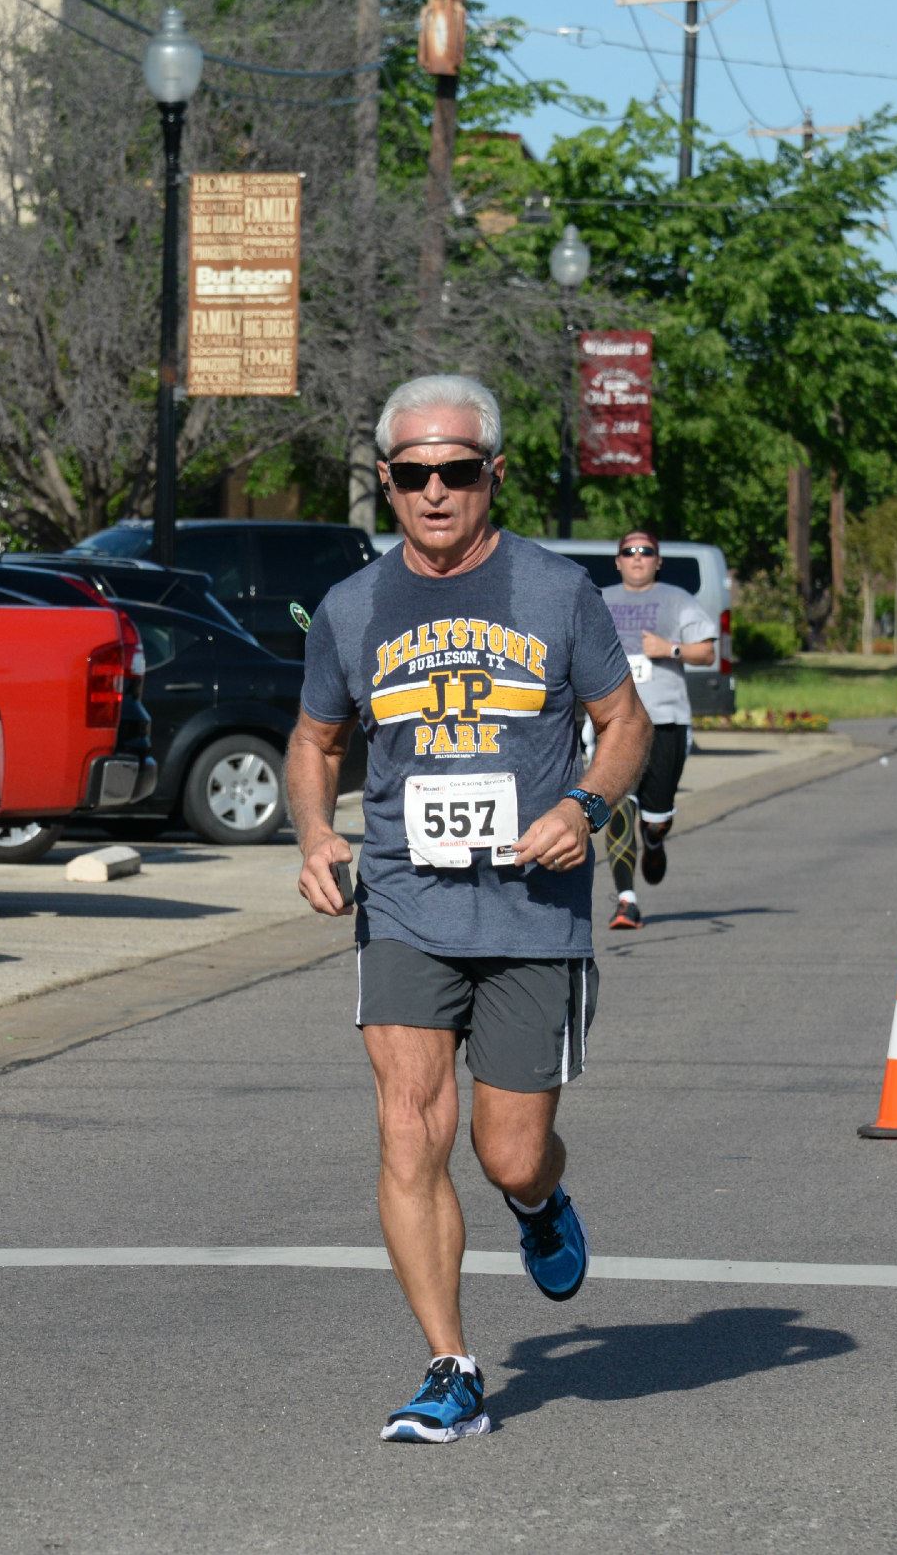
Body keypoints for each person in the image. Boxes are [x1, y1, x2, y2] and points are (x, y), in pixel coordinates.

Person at [287, 373, 651, 1445]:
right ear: (387, 486)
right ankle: (449, 1364)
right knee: (409, 1130)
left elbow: (622, 721)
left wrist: (587, 804)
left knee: (507, 1150)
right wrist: (314, 834)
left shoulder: (553, 591)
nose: (434, 492)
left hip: (534, 909)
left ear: (492, 474)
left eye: (455, 472)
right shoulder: (354, 608)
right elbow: (314, 741)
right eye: (411, 475)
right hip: (404, 897)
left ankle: (539, 1204)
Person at [597, 529, 717, 929]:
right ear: (617, 561)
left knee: (654, 816)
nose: (637, 557)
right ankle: (626, 900)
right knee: (615, 805)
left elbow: (707, 651)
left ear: (657, 561)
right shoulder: (600, 600)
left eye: (646, 551)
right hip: (612, 721)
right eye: (628, 551)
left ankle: (654, 837)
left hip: (665, 720)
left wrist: (670, 649)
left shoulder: (678, 600)